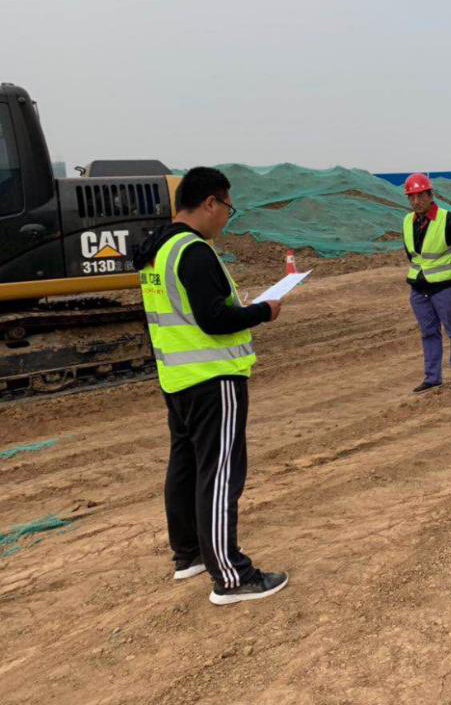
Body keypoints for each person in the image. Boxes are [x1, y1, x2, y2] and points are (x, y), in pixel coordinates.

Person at [134, 166, 287, 605]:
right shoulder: (194, 251)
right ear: (210, 203)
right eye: (227, 209)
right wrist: (263, 311)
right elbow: (214, 319)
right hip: (212, 377)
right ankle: (231, 576)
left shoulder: (158, 249)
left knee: (185, 466)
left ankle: (189, 554)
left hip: (177, 378)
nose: (225, 219)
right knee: (220, 474)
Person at [402, 173, 451, 393]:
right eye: (412, 197)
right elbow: (413, 255)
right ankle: (432, 377)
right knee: (428, 333)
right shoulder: (407, 221)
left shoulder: (448, 220)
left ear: (430, 195)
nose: (416, 201)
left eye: (421, 196)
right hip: (419, 288)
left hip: (445, 287)